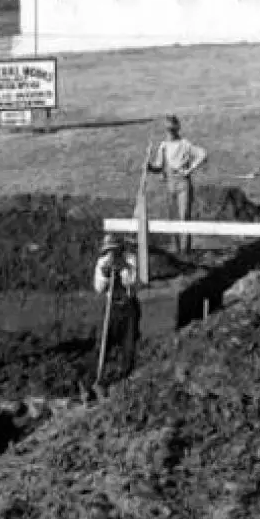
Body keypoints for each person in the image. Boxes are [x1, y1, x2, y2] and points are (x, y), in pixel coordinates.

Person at [146, 114, 208, 255]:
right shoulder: (163, 146)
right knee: (171, 218)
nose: (170, 133)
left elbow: (203, 154)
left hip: (183, 185)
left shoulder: (184, 144)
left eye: (172, 130)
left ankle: (185, 250)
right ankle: (175, 249)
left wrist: (190, 169)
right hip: (169, 185)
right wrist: (149, 166)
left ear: (177, 129)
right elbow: (158, 166)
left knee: (183, 216)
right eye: (168, 130)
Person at [91, 233, 141, 397]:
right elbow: (98, 288)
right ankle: (97, 378)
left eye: (114, 250)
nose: (111, 254)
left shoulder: (131, 259)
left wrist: (123, 269)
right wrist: (105, 274)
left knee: (128, 345)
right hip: (111, 307)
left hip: (128, 306)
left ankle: (125, 378)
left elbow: (133, 282)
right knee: (104, 344)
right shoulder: (102, 262)